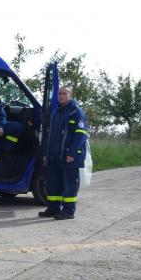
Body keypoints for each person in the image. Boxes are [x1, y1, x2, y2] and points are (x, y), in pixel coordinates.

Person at [39, 85, 88, 220]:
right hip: (54, 156)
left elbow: (80, 135)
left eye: (64, 93)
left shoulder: (76, 112)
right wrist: (46, 154)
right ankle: (53, 208)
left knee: (69, 185)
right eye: (59, 93)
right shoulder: (56, 112)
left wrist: (72, 154)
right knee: (53, 184)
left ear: (70, 96)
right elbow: (50, 135)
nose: (61, 96)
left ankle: (68, 211)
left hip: (69, 156)